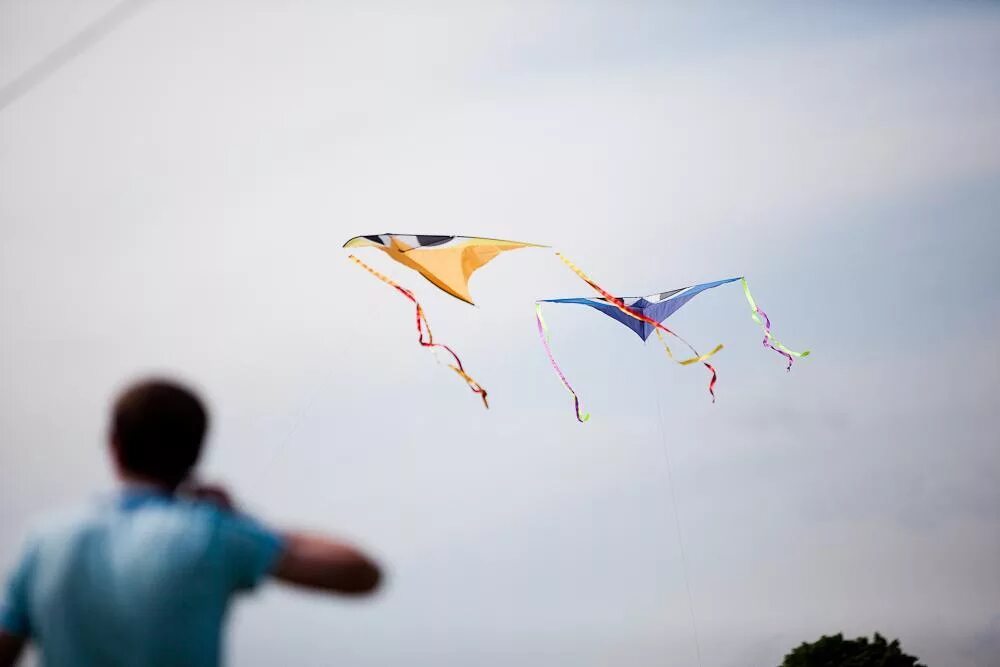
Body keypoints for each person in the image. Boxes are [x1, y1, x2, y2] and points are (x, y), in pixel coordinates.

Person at [0, 378, 381, 667]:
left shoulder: (45, 539)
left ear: (114, 444)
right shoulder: (212, 533)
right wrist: (240, 521)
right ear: (196, 452)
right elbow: (361, 574)